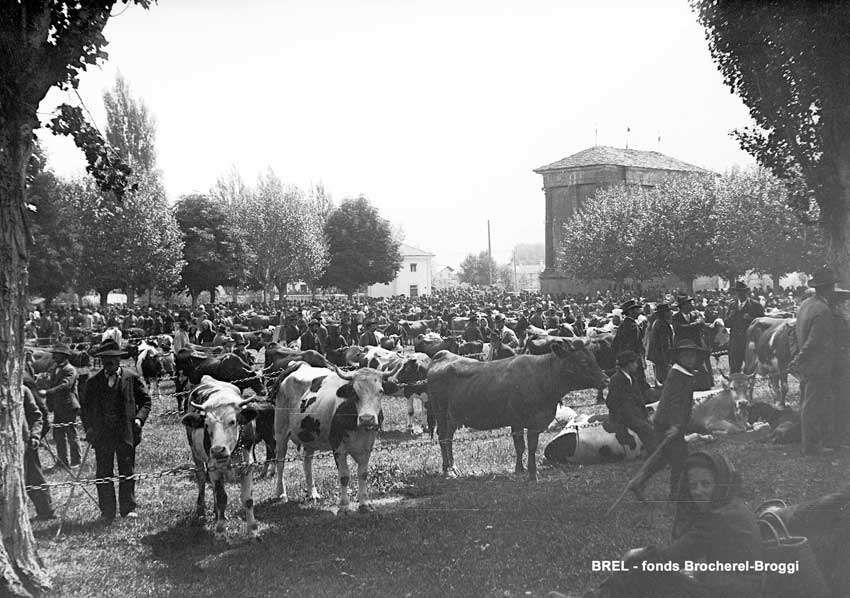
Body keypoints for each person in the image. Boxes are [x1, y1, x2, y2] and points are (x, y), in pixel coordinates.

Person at [550, 451, 762, 598]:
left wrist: (637, 556)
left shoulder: (720, 517)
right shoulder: (731, 506)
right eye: (693, 485)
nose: (698, 491)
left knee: (646, 568)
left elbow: (672, 556)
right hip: (736, 585)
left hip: (732, 592)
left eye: (706, 484)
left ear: (722, 482)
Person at [627, 339, 710, 501]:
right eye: (685, 355)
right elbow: (672, 402)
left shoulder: (683, 373)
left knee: (662, 458)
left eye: (692, 356)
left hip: (666, 422)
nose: (689, 359)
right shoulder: (677, 374)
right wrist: (675, 425)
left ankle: (638, 482)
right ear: (678, 357)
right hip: (668, 423)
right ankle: (676, 494)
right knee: (680, 459)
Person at [81, 340, 152, 521]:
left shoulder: (131, 377)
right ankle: (107, 511)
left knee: (126, 470)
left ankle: (128, 508)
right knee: (103, 472)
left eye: (113, 359)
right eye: (105, 359)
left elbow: (145, 401)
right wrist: (89, 428)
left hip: (125, 432)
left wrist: (138, 419)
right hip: (102, 434)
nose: (109, 362)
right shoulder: (94, 382)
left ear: (119, 360)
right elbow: (85, 409)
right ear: (101, 360)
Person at [793, 267, 837, 455]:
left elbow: (793, 334)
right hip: (818, 365)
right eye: (832, 286)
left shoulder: (805, 305)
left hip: (806, 365)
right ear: (828, 288)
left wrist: (797, 358)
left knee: (806, 402)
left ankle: (808, 442)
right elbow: (813, 341)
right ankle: (811, 446)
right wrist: (799, 357)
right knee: (813, 405)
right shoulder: (823, 310)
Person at [39, 343, 81, 468]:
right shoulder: (55, 368)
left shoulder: (70, 370)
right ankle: (62, 462)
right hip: (58, 406)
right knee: (58, 436)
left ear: (64, 356)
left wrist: (47, 392)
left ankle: (76, 461)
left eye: (56, 354)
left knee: (71, 435)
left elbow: (65, 386)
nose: (53, 356)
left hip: (68, 406)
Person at [606, 351, 654, 452]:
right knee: (646, 429)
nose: (637, 365)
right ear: (628, 364)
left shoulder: (632, 378)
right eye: (635, 363)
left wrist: (644, 413)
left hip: (635, 413)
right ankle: (653, 452)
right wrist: (623, 417)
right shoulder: (616, 380)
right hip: (624, 416)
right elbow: (611, 401)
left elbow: (639, 399)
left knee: (652, 424)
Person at [23, 384, 55, 520]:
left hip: (22, 445)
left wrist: (35, 436)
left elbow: (36, 416)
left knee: (34, 477)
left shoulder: (22, 390)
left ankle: (46, 510)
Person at [724, 281, 765, 374]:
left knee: (750, 368)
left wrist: (751, 319)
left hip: (750, 341)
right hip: (735, 341)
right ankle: (735, 386)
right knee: (734, 367)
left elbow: (763, 322)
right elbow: (726, 323)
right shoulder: (732, 306)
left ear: (746, 292)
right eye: (738, 292)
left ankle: (749, 386)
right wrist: (731, 316)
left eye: (742, 292)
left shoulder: (755, 305)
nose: (740, 294)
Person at [612, 300, 648, 396]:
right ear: (631, 312)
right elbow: (634, 345)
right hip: (634, 360)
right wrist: (634, 360)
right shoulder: (633, 327)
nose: (638, 312)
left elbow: (615, 344)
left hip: (624, 361)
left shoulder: (622, 326)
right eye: (636, 310)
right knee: (639, 382)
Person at [646, 303, 674, 386]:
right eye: (668, 311)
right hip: (661, 357)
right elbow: (664, 344)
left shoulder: (657, 322)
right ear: (664, 313)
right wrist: (667, 360)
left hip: (657, 356)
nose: (671, 313)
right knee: (665, 380)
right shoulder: (662, 325)